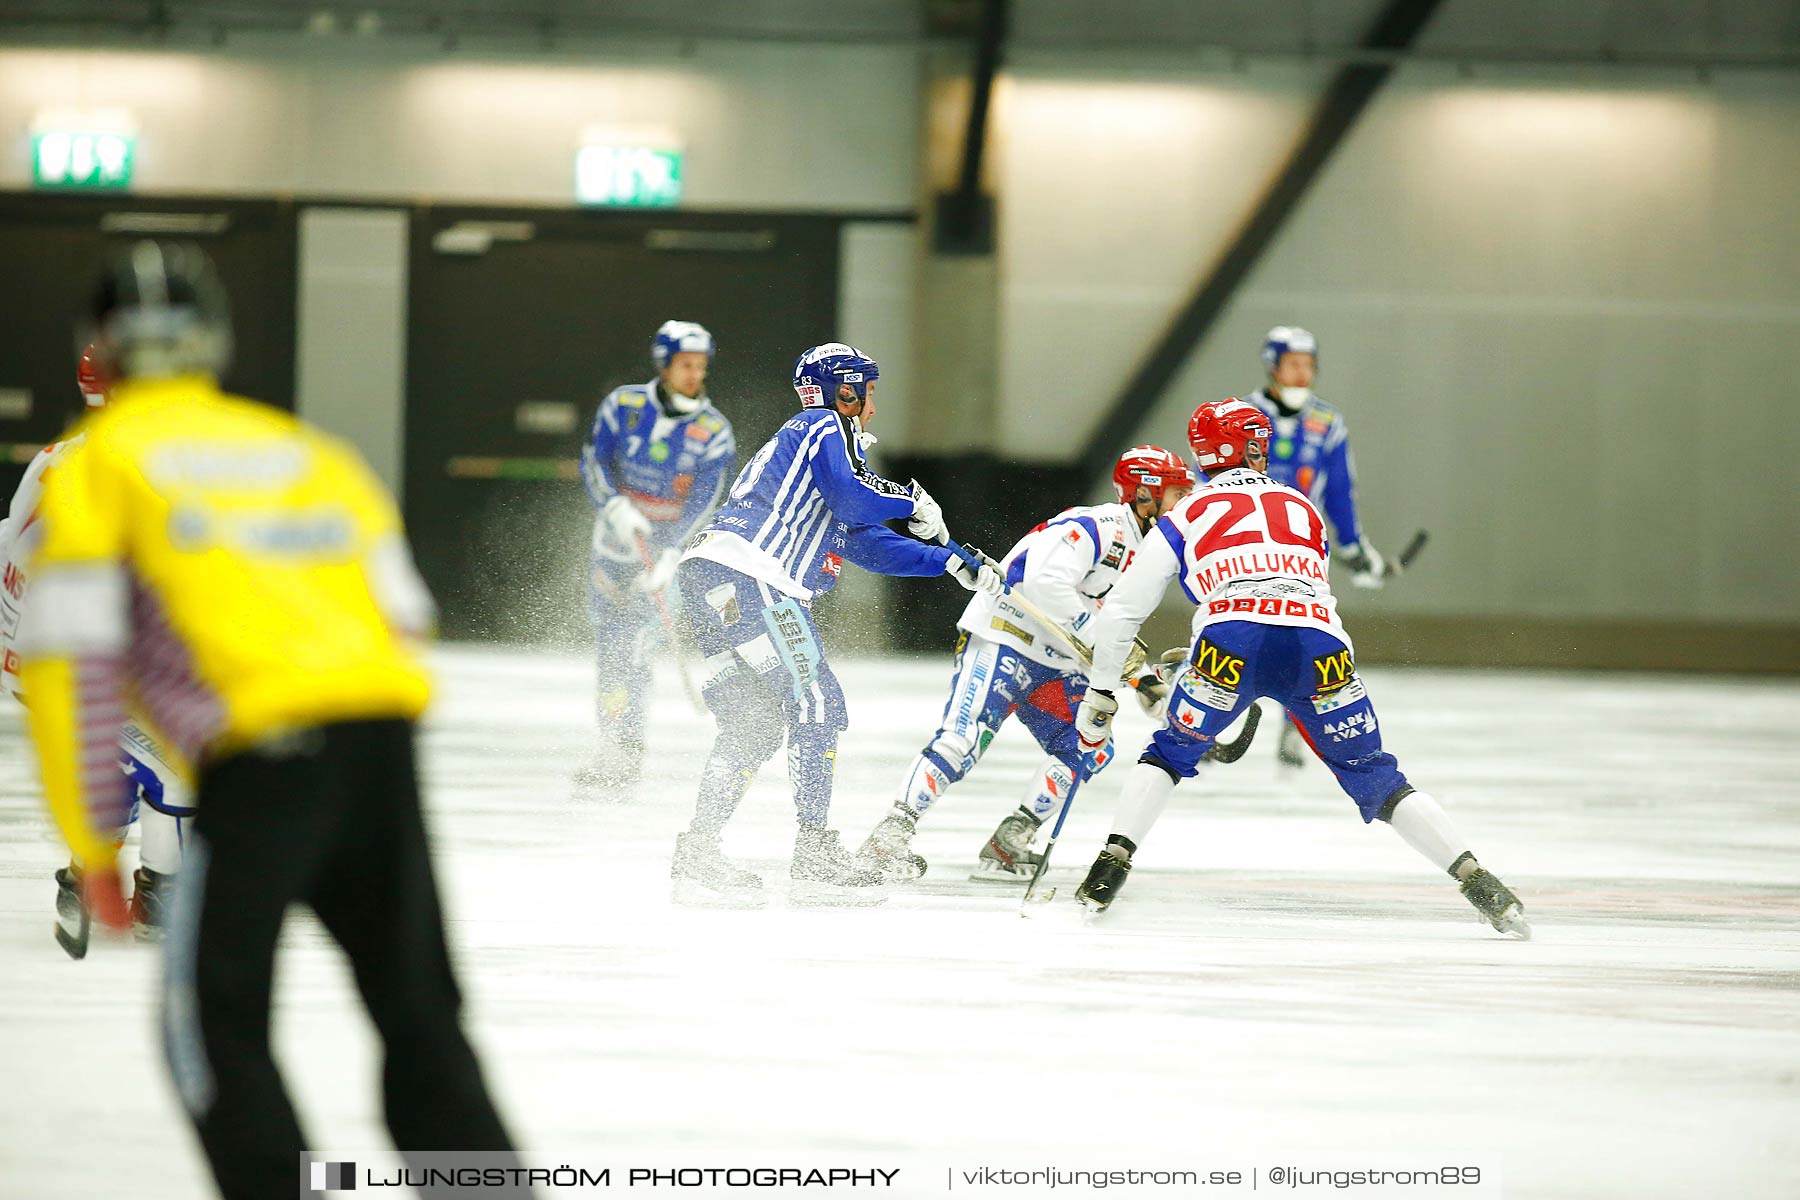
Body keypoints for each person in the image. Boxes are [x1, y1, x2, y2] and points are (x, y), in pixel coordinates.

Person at [18, 241, 526, 1197]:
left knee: (215, 1030)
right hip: (380, 749)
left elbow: (69, 664)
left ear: (102, 350)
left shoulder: (93, 469)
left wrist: (93, 842)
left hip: (263, 764)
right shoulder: (307, 451)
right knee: (419, 1023)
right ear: (214, 341)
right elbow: (406, 617)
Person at [1067, 398, 1528, 938]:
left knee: (1169, 753)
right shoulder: (1300, 506)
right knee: (1379, 779)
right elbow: (1304, 583)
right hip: (1320, 643)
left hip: (1231, 642)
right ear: (1254, 447)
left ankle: (1108, 871)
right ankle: (1483, 884)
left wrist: (1101, 694)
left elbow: (1123, 608)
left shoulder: (1187, 511)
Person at [671, 342, 1003, 902]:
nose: (872, 406)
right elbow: (856, 502)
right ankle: (814, 849)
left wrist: (949, 561)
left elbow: (865, 543)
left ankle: (698, 849)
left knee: (754, 725)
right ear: (845, 390)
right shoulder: (825, 427)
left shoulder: (816, 452)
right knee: (817, 701)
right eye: (868, 392)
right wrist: (913, 498)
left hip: (712, 580)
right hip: (754, 576)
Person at [856, 445, 1195, 883]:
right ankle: (889, 835)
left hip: (1055, 663)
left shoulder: (1150, 551)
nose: (1185, 505)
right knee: (961, 743)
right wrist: (1093, 635)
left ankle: (1011, 839)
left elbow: (1112, 623)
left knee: (1089, 747)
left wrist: (1142, 678)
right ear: (1144, 495)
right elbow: (1043, 581)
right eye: (1177, 494)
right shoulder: (1097, 525)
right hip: (1005, 639)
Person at [0, 346, 192, 948]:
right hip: (84, 661)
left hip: (36, 656)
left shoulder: (55, 459)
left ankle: (90, 875)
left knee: (116, 761)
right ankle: (156, 894)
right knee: (179, 768)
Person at [576, 320, 735, 795]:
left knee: (636, 648)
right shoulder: (623, 406)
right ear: (664, 365)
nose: (694, 375)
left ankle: (626, 750)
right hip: (614, 547)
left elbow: (706, 501)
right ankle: (612, 743)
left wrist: (672, 554)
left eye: (701, 366)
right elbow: (594, 460)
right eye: (685, 365)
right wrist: (614, 505)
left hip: (663, 559)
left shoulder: (713, 432)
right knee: (610, 648)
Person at [1245, 325, 1388, 767]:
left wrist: (1352, 545)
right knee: (1239, 629)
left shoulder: (1327, 422)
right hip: (1244, 546)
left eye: (1309, 366)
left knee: (1306, 636)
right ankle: (1212, 723)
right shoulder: (1241, 416)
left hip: (1303, 549)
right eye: (1293, 365)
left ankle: (1297, 726)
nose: (1303, 374)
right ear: (1273, 367)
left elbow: (1340, 490)